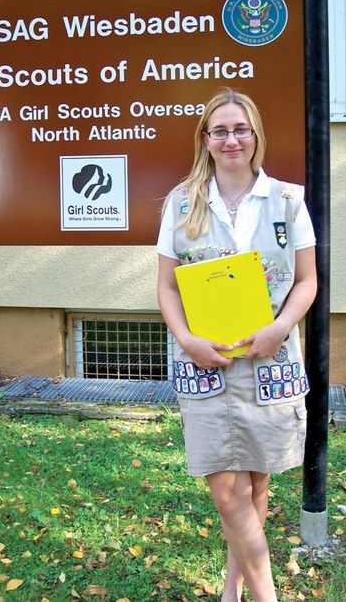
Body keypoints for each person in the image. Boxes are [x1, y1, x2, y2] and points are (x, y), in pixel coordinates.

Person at [157, 89, 317, 602]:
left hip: (270, 360)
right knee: (227, 492)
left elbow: (306, 281)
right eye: (220, 130)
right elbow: (166, 285)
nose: (232, 139)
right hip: (206, 362)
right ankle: (267, 597)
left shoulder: (288, 201)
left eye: (241, 129)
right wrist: (186, 338)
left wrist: (279, 328)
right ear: (205, 140)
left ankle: (232, 590)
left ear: (255, 136)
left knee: (255, 488)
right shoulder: (181, 202)